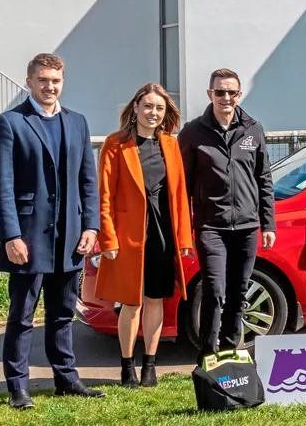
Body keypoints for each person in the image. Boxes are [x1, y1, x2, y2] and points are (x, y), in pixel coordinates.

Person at [0, 53, 106, 409]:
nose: (49, 86)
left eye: (55, 81)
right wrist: (11, 235)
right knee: (22, 316)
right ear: (29, 82)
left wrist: (91, 226)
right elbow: (1, 185)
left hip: (70, 238)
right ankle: (17, 387)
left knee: (62, 313)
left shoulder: (78, 122)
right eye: (42, 80)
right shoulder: (10, 123)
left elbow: (89, 181)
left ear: (62, 82)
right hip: (27, 236)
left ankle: (67, 380)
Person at [95, 84, 193, 388]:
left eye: (159, 108)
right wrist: (107, 239)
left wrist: (185, 239)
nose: (153, 113)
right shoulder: (115, 144)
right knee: (131, 303)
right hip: (128, 237)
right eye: (148, 106)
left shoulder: (170, 144)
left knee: (155, 301)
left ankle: (150, 365)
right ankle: (128, 367)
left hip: (163, 234)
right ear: (136, 107)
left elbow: (179, 195)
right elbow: (104, 196)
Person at [178, 69, 276, 360]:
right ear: (210, 94)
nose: (226, 98)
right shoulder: (193, 132)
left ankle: (233, 352)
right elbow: (181, 186)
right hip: (211, 227)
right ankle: (209, 356)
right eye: (219, 92)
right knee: (215, 291)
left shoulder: (253, 129)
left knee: (238, 292)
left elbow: (264, 178)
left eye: (231, 92)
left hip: (246, 227)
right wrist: (184, 231)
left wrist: (267, 223)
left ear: (239, 94)